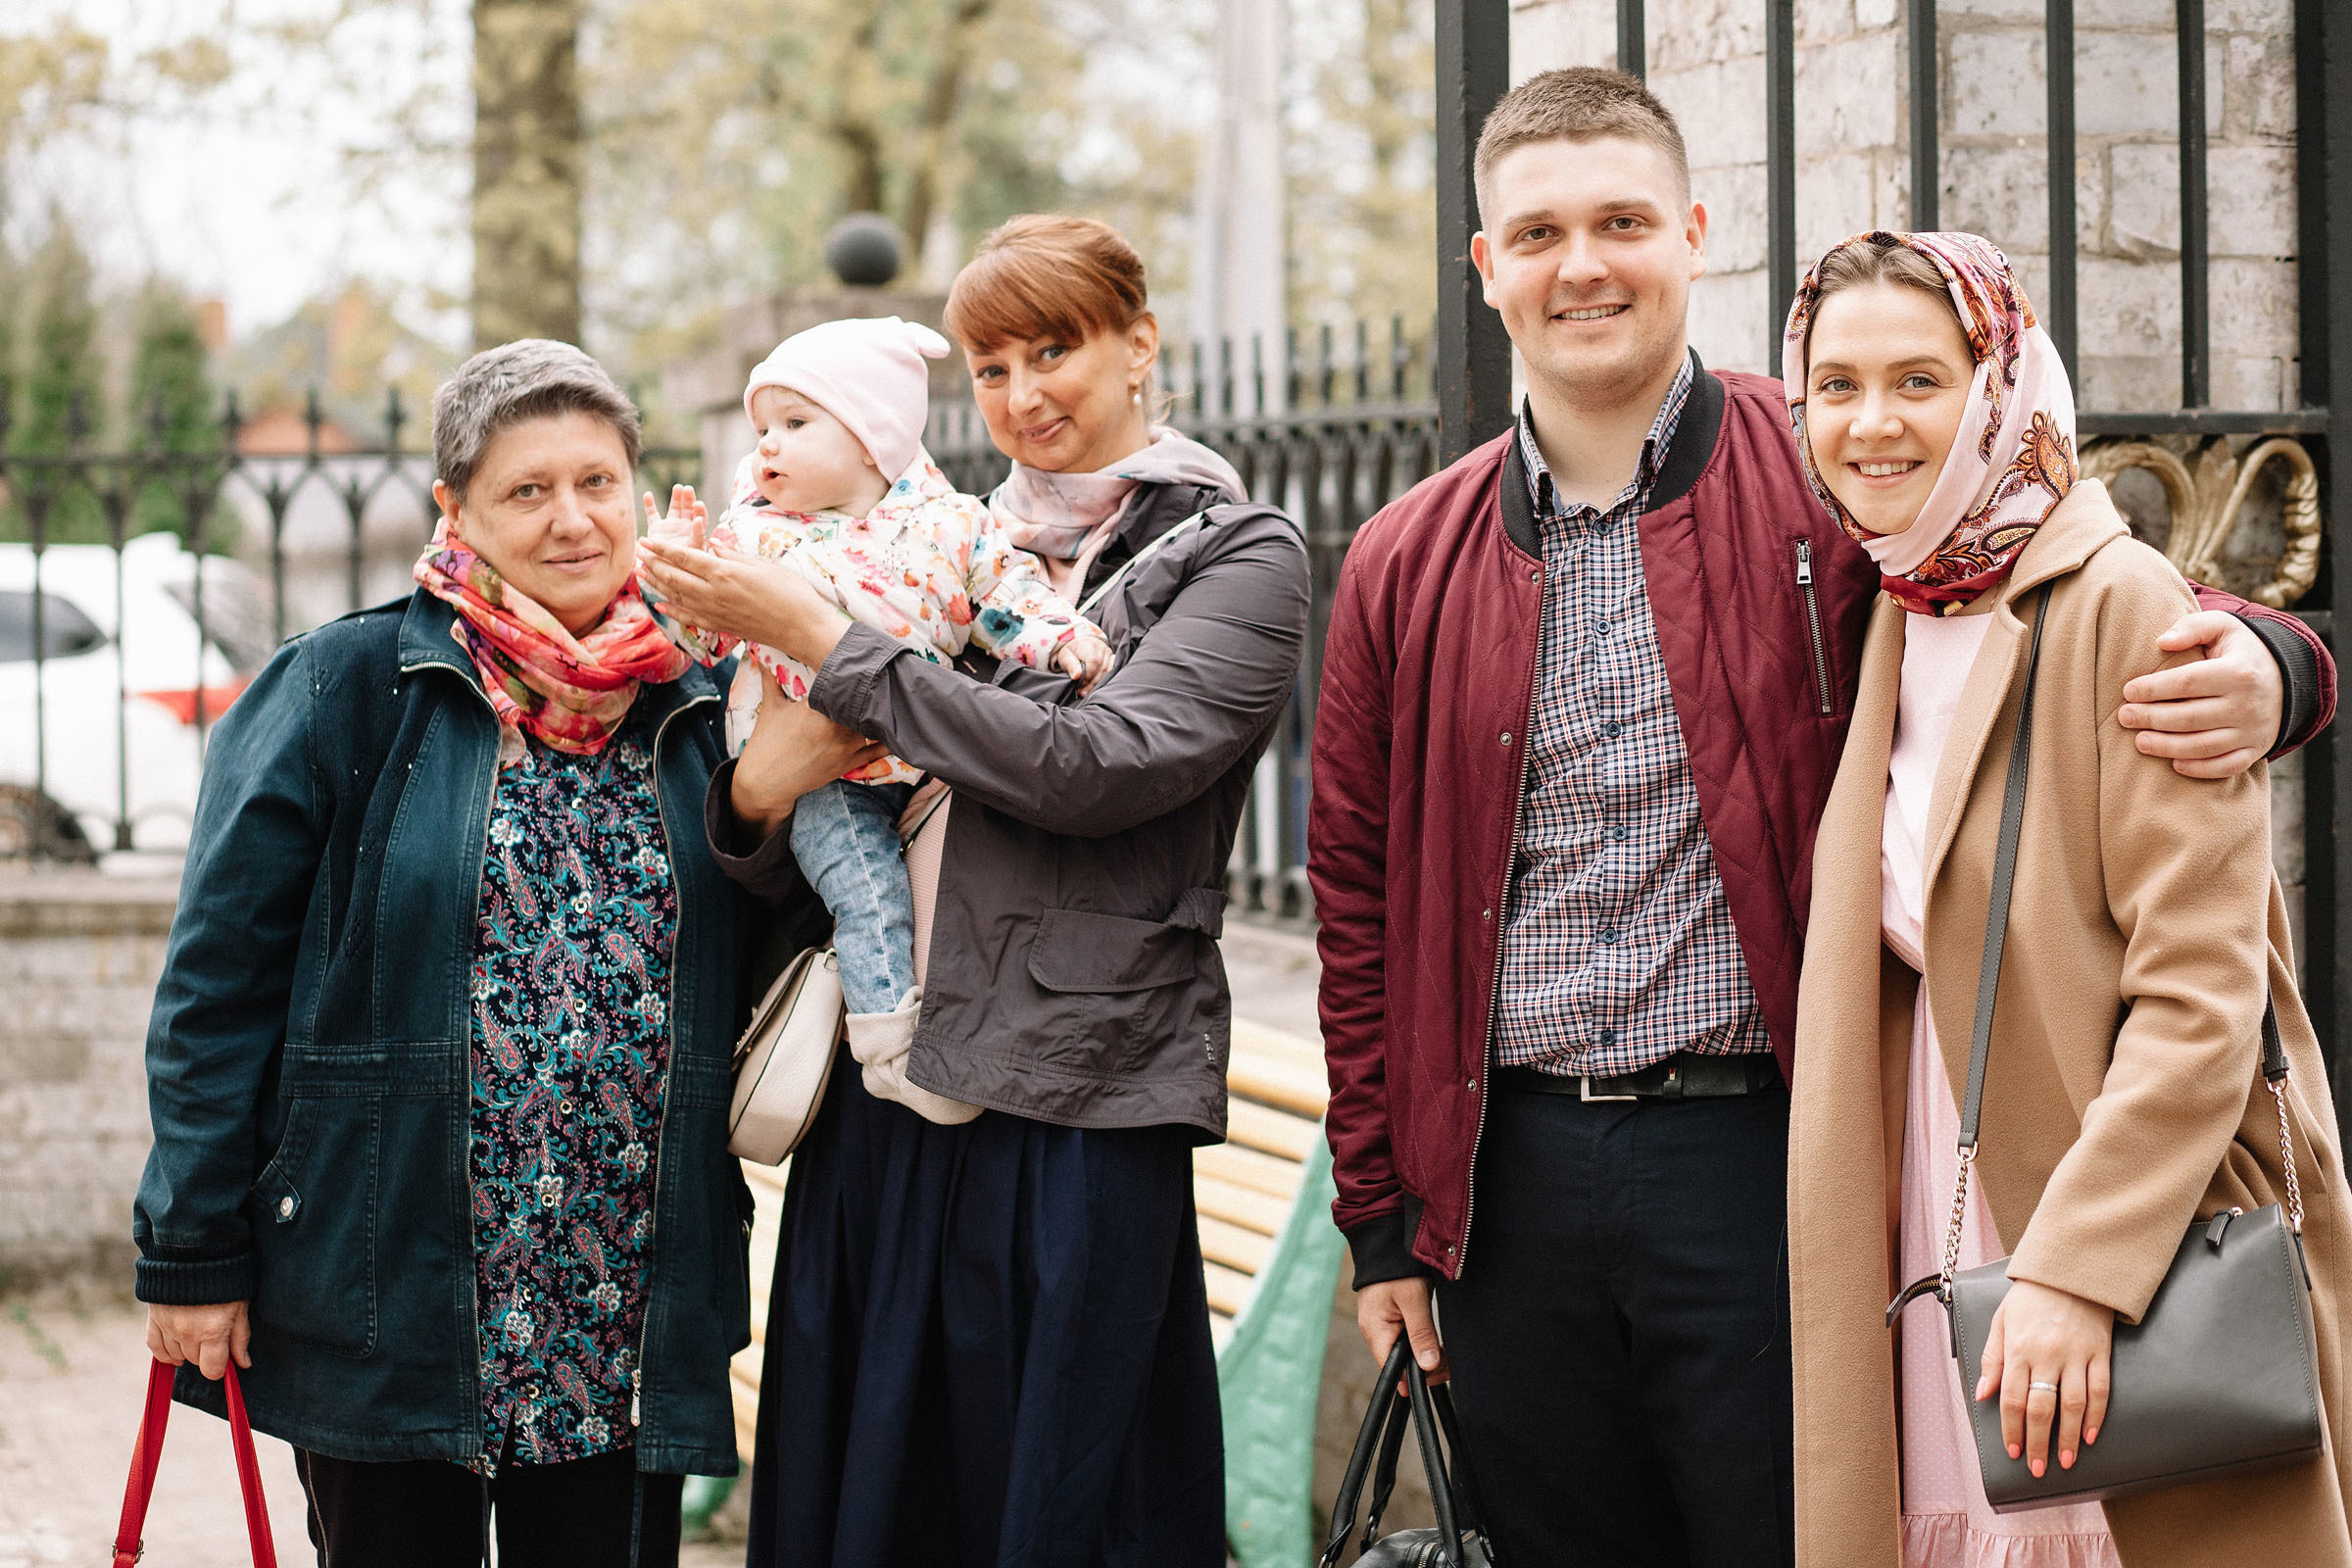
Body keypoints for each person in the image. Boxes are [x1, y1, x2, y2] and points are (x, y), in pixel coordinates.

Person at [1306, 67, 2335, 1568]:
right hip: (1507, 1185)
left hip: (1772, 1159)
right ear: (1486, 267)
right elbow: (1353, 898)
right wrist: (1383, 1221)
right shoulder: (1407, 555)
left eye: (1622, 221)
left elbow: (2048, 570)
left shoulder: (1826, 470)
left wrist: (2278, 658)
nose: (1581, 263)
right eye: (1537, 233)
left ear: (1693, 232)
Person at [637, 213, 1309, 1567]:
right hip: (885, 1093)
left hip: (1077, 1093)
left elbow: (1105, 765)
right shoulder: (918, 530)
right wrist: (760, 792)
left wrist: (833, 654)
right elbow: (777, 808)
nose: (1022, 396)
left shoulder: (1234, 554)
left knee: (1063, 1510)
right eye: (990, 367)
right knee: (873, 1509)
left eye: (1054, 350)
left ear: (1139, 344)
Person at [134, 340, 768, 1567]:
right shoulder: (344, 685)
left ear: (643, 489)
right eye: (528, 490)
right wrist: (191, 1251)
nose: (574, 519)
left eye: (599, 482)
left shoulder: (708, 698)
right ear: (456, 509)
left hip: (622, 1292)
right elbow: (216, 990)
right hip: (395, 1276)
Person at [1786, 229, 2352, 1568]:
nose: (1872, 423)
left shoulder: (2121, 603)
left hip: (2102, 1198)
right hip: (1927, 1183)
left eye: (1920, 379)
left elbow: (2203, 997)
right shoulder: (1892, 604)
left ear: (1999, 386)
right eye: (1836, 383)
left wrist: (2073, 1270)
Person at [644, 314, 1110, 1121]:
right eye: (761, 430)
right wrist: (682, 572)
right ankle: (890, 1045)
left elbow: (1001, 606)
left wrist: (1062, 640)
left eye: (794, 424)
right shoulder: (752, 535)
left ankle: (959, 1036)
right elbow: (700, 639)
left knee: (963, 904)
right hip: (830, 774)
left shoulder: (953, 524)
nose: (767, 448)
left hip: (937, 760)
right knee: (866, 892)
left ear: (870, 439)